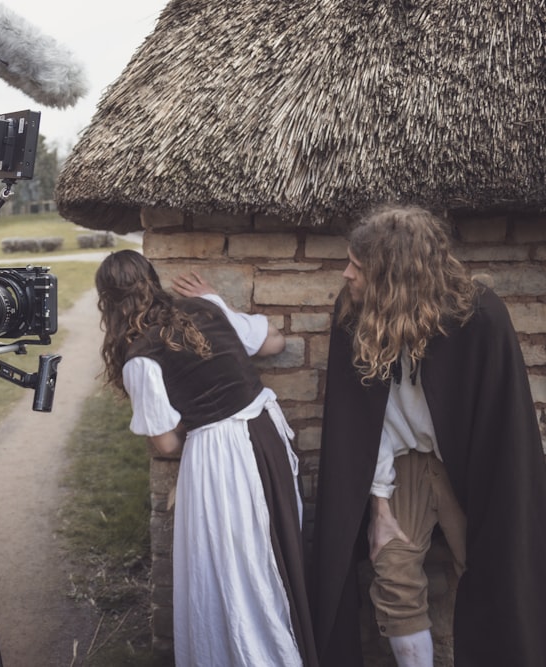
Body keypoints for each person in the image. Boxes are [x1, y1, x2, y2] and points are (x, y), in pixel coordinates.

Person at [310, 205, 546, 667]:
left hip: (466, 466)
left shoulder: (478, 317)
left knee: (492, 570)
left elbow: (501, 430)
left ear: (390, 276)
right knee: (394, 572)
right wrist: (378, 504)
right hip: (399, 465)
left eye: (356, 267)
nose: (345, 275)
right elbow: (361, 424)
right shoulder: (353, 315)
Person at [95, 250, 317, 667]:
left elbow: (165, 443)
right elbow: (275, 342)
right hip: (266, 436)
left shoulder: (140, 357)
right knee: (273, 556)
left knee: (236, 570)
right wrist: (219, 302)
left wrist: (195, 420)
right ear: (151, 278)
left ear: (108, 301)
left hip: (222, 459)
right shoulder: (202, 306)